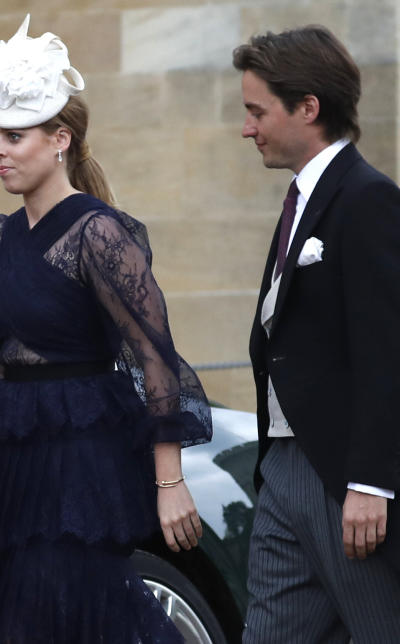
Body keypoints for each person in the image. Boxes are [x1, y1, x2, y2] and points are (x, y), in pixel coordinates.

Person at [0, 16, 211, 643]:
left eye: (14, 136)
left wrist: (170, 484)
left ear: (60, 139)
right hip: (15, 465)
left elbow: (155, 359)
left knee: (82, 613)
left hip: (84, 458)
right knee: (20, 621)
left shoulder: (98, 232)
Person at [235, 26, 400, 642]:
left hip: (342, 480)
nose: (247, 128)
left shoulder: (369, 200)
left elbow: (386, 353)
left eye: (258, 111)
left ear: (309, 107)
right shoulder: (300, 199)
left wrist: (369, 482)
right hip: (281, 467)